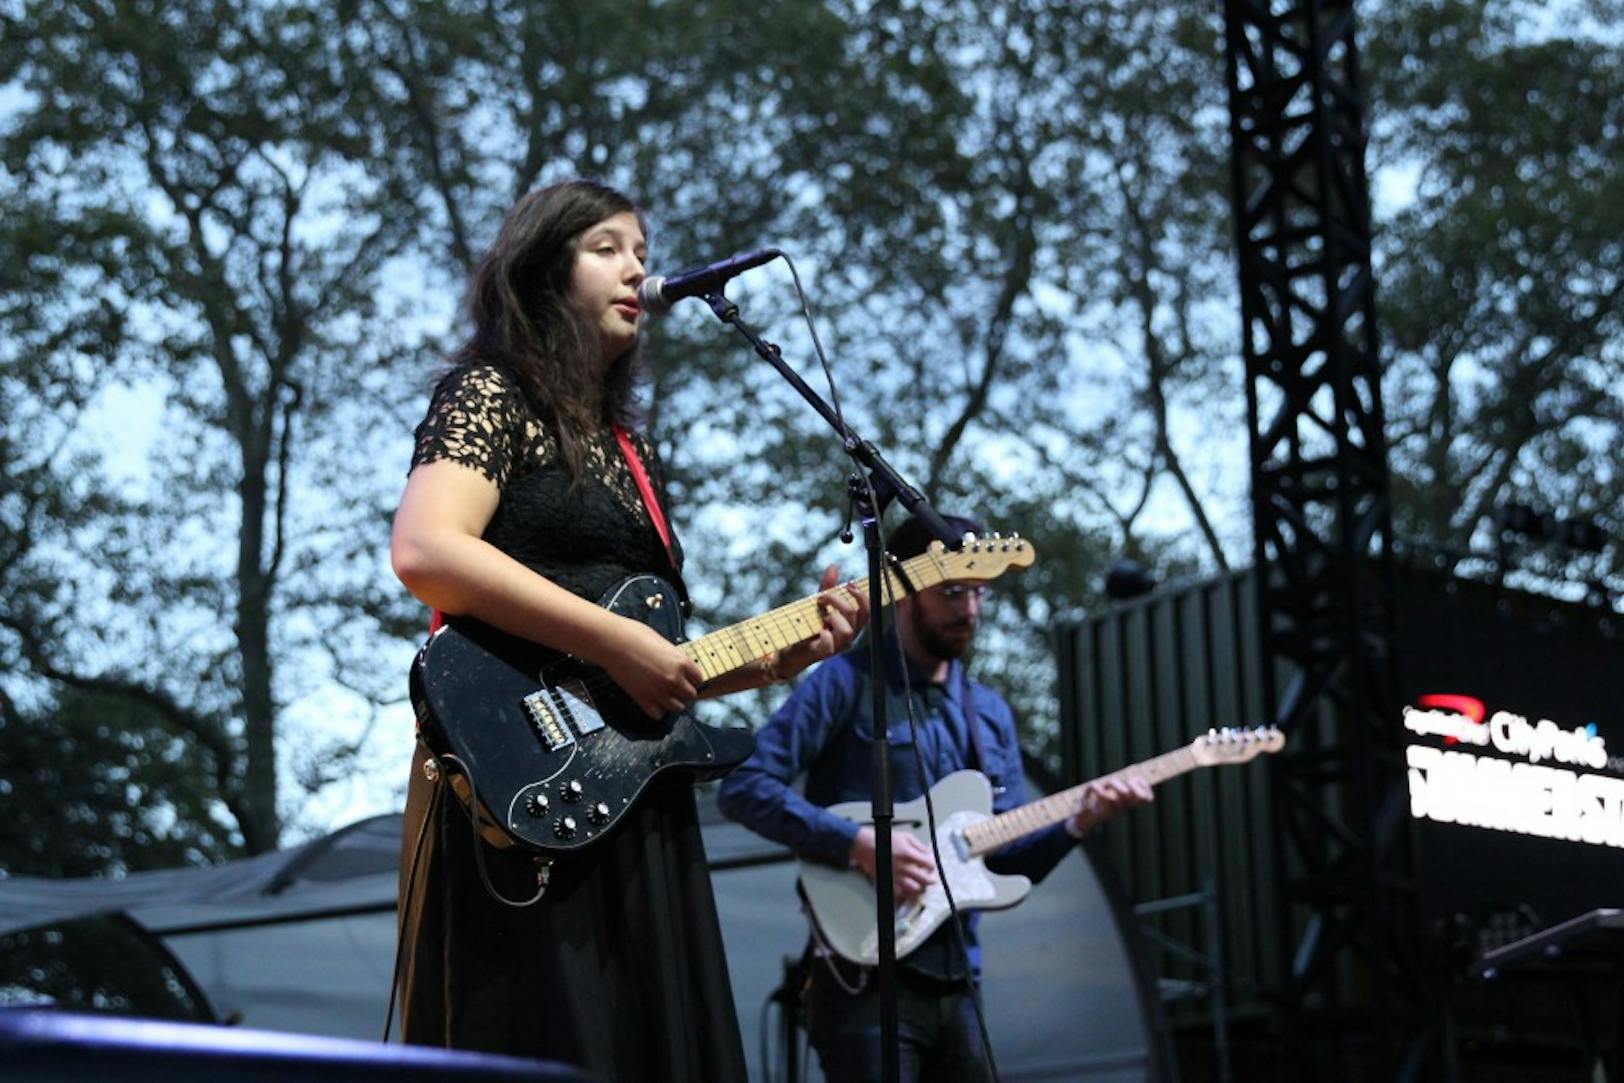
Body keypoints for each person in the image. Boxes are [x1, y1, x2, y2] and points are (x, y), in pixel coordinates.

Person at [388, 178, 865, 1082]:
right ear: (541, 271)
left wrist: (781, 658)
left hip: (632, 798)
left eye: (641, 252)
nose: (636, 269)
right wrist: (616, 643)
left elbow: (650, 663)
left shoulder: (628, 450)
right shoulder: (491, 393)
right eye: (605, 248)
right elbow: (426, 549)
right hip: (517, 791)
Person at [717, 511, 1153, 1083]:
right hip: (863, 985)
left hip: (960, 983)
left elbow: (1003, 862)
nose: (969, 609)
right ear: (906, 591)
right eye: (952, 592)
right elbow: (744, 786)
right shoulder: (842, 683)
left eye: (977, 593)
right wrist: (857, 844)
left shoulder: (989, 713)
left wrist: (1079, 823)